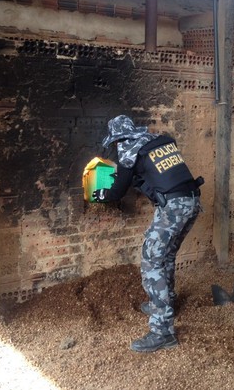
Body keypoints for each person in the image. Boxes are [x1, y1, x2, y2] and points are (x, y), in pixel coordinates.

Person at [93, 115, 202, 353]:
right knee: (167, 255)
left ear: (118, 138)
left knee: (151, 262)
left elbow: (117, 192)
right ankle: (165, 302)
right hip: (192, 201)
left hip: (173, 208)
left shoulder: (129, 149)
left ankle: (162, 331)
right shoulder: (157, 140)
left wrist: (100, 194)